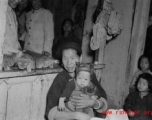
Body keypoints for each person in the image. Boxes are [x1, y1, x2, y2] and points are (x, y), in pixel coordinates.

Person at [46, 39, 108, 120]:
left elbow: (103, 102)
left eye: (72, 58)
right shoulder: (60, 78)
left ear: (80, 58)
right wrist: (76, 115)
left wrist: (92, 103)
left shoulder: (89, 75)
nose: (69, 63)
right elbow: (51, 113)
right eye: (65, 58)